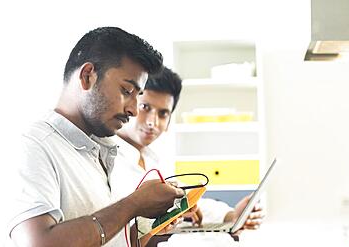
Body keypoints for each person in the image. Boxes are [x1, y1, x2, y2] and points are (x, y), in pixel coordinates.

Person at [6, 27, 185, 247]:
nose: (134, 110)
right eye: (127, 91)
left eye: (137, 96)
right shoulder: (34, 145)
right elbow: (39, 243)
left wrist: (152, 226)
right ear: (87, 75)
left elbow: (112, 239)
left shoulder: (108, 149)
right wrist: (133, 204)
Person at [109, 67, 265, 246]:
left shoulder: (153, 160)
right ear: (130, 106)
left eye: (163, 113)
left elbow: (188, 199)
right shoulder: (106, 157)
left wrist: (232, 215)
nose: (152, 122)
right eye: (145, 107)